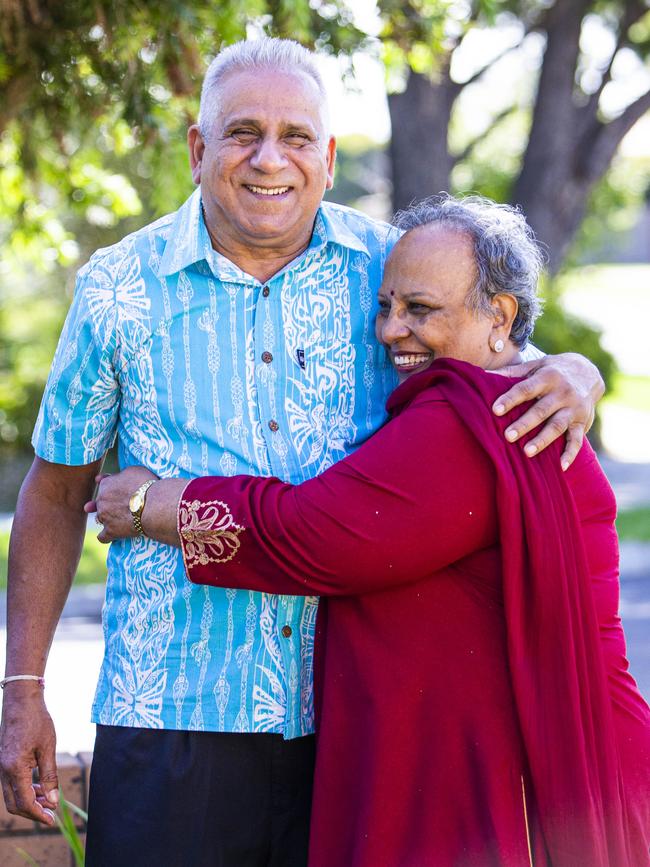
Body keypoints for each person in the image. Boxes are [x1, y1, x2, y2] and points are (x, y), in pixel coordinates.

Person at [0, 37, 604, 867]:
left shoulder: (386, 269)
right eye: (242, 131)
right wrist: (23, 689)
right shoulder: (117, 289)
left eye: (295, 137)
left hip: (356, 724)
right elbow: (57, 489)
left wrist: (577, 370)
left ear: (326, 157)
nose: (268, 159)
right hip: (172, 710)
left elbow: (489, 352)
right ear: (197, 148)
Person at [93, 196, 650, 867]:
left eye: (420, 310)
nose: (390, 330)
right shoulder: (521, 402)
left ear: (499, 317)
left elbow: (311, 535)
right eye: (385, 307)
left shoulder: (464, 424)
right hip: (560, 762)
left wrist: (152, 503)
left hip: (515, 788)